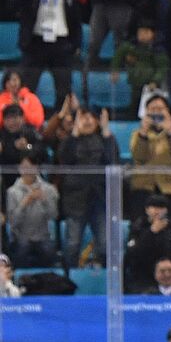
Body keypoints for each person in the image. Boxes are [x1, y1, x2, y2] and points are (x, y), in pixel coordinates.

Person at [11, 0, 80, 110]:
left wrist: (75, 42)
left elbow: (75, 16)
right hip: (36, 41)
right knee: (27, 87)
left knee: (64, 89)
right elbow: (12, 5)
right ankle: (25, 119)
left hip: (61, 42)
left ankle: (61, 122)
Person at [56, 106, 117, 268]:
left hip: (101, 200)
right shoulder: (69, 141)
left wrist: (106, 132)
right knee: (72, 245)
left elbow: (112, 162)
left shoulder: (106, 139)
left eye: (92, 117)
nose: (88, 121)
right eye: (84, 117)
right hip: (75, 201)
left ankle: (106, 279)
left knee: (105, 245)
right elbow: (65, 159)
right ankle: (69, 278)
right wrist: (74, 133)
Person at [129, 94, 171, 201]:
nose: (156, 112)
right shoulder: (137, 134)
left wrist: (170, 131)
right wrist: (143, 133)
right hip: (143, 186)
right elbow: (138, 156)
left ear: (167, 111)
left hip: (170, 186)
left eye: (160, 109)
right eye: (152, 109)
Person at [4, 155, 58, 266]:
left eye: (31, 166)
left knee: (49, 251)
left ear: (37, 168)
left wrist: (44, 200)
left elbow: (54, 215)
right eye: (24, 166)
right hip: (21, 237)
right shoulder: (12, 192)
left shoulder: (49, 189)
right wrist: (24, 203)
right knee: (22, 249)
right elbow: (13, 221)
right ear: (19, 168)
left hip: (43, 237)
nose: (27, 170)